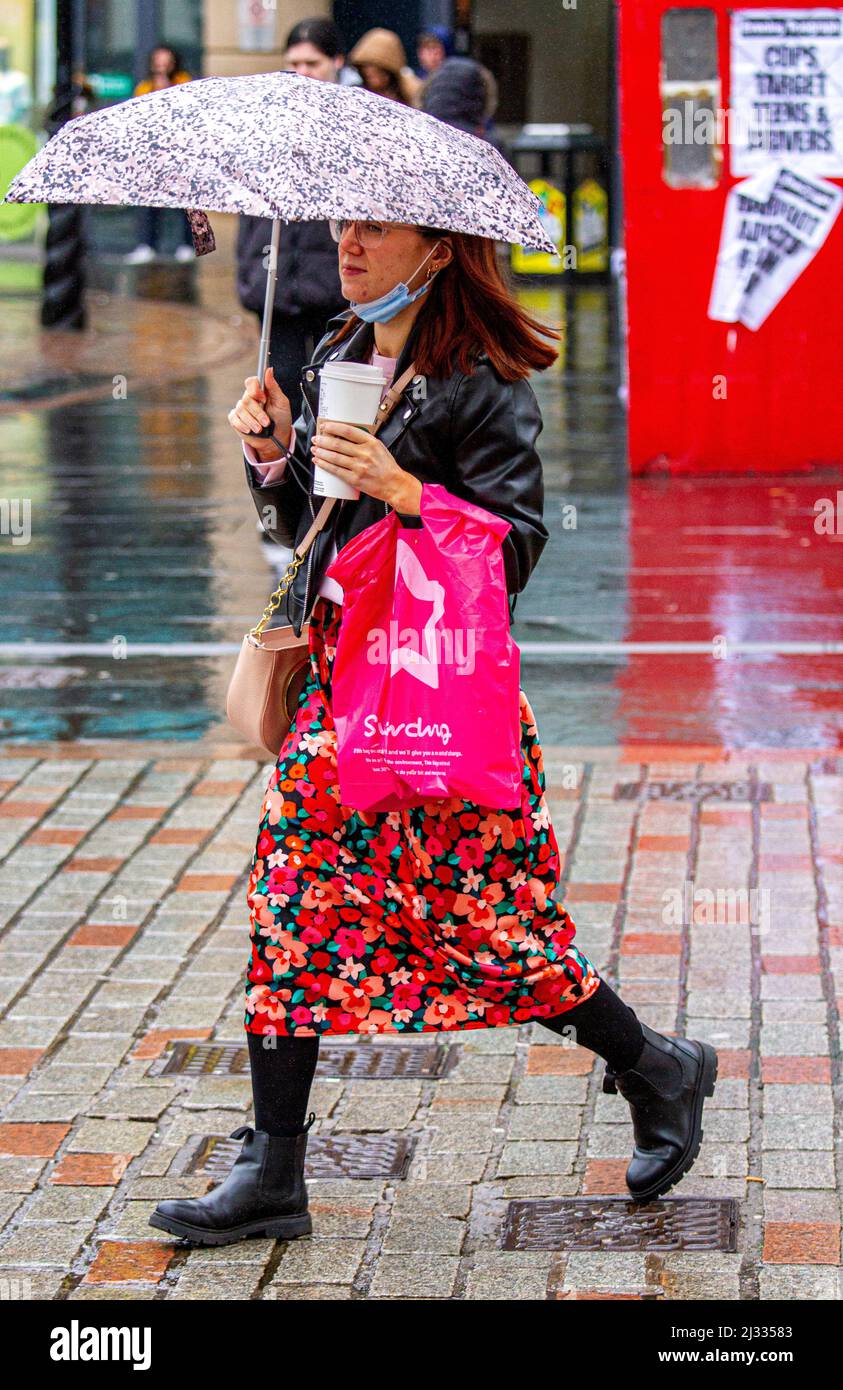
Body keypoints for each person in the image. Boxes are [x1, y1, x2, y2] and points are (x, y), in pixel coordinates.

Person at [149, 218, 719, 1247]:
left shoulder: (482, 380)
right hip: (338, 694)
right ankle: (272, 1168)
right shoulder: (331, 352)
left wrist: (407, 490)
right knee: (292, 909)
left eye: (377, 227)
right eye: (344, 223)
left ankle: (659, 1064)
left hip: (441, 699)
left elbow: (511, 559)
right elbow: (305, 539)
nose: (349, 241)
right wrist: (274, 456)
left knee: (488, 934)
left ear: (439, 248)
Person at [235, 18, 347, 425]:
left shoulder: (350, 126)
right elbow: (250, 212)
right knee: (279, 397)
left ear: (337, 61)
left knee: (333, 403)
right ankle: (287, 481)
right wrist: (250, 274)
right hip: (277, 289)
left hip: (335, 293)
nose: (302, 73)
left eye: (312, 63)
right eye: (294, 63)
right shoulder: (266, 126)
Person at [125, 47, 193, 263]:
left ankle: (187, 244)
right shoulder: (145, 87)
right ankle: (147, 244)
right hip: (153, 152)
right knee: (150, 203)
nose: (162, 67)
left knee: (185, 202)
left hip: (179, 151)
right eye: (158, 62)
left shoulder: (183, 81)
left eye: (166, 62)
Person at [347, 28, 422, 107]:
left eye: (377, 69)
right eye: (364, 67)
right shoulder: (356, 95)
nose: (369, 72)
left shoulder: (411, 95)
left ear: (389, 70)